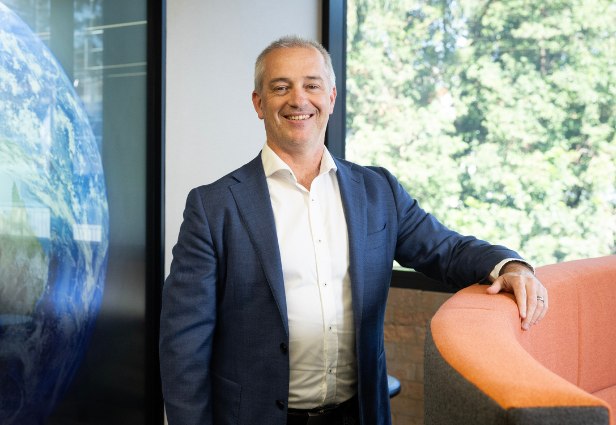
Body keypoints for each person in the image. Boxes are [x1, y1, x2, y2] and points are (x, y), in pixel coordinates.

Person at [159, 35, 548, 425]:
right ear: (259, 104)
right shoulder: (214, 207)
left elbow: (446, 249)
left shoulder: (378, 190)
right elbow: (183, 345)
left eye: (311, 85)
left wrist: (509, 266)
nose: (298, 99)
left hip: (359, 414)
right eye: (281, 87)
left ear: (330, 97)